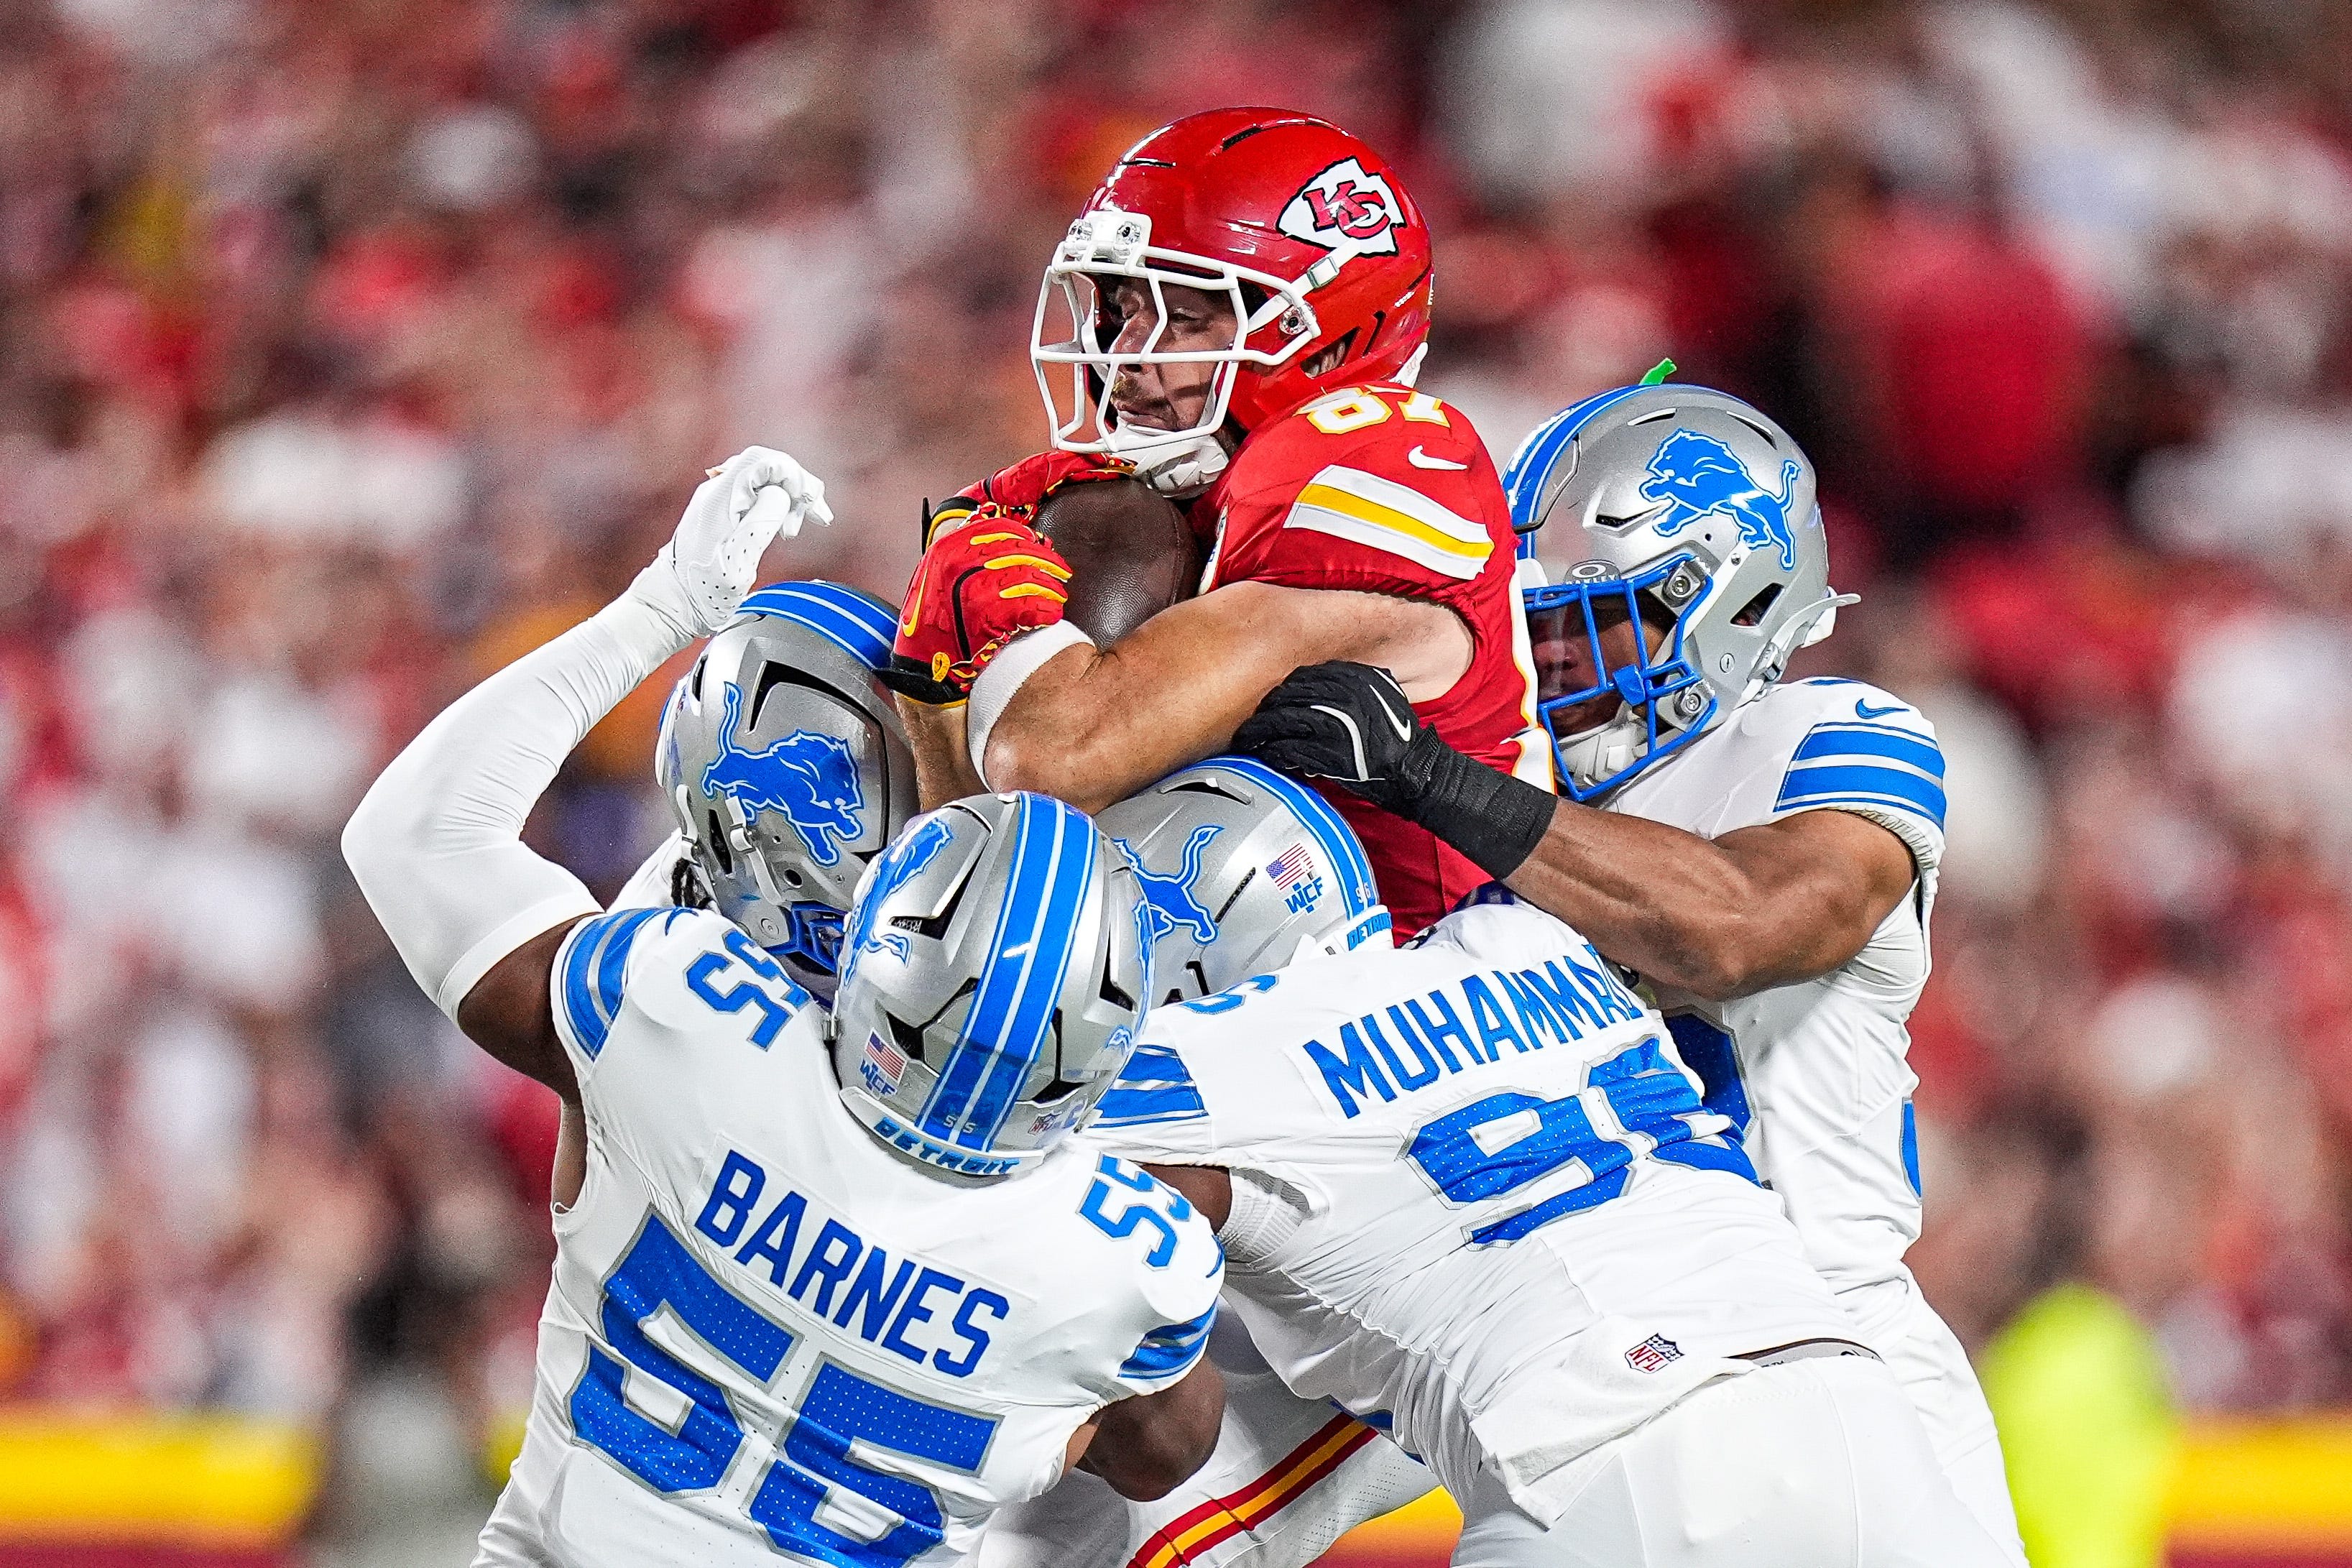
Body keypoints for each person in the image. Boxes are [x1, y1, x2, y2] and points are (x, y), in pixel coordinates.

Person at [340, 449, 1227, 1567]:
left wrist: (662, 604)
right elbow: (1165, 1452)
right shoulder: (1120, 1258)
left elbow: (414, 839)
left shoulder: (681, 1022)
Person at [1231, 382, 2025, 1560]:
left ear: (1732, 603)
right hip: (1561, 1359)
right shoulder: (1503, 803)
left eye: (1592, 625)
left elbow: (1746, 922)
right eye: (1532, 628)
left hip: (1830, 1377)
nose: (1550, 664)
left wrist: (1438, 785)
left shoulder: (1814, 738)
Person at [1086, 761, 2008, 1568]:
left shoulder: (1200, 1060)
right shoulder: (1531, 937)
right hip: (1850, 1406)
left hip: (1600, 1468)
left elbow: (1158, 1442)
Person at [880, 106, 1546, 937]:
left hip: (1444, 993)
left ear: (1333, 343)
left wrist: (987, 637)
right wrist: (933, 697)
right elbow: (980, 879)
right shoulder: (1196, 494)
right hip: (1283, 966)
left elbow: (1053, 771)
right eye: (1121, 307)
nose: (1123, 353)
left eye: (1185, 316)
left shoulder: (1364, 461)